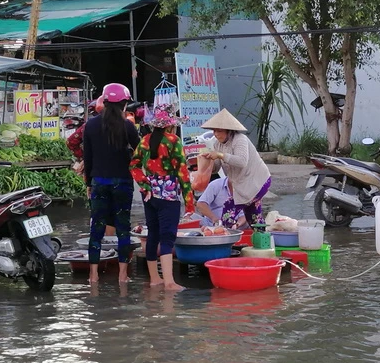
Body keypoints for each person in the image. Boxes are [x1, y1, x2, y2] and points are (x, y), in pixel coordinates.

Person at [130, 105, 195, 291]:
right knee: (167, 237)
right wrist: (190, 203)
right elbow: (183, 173)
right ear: (170, 126)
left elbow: (133, 165)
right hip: (168, 193)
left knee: (153, 234)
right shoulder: (173, 141)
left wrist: (144, 184)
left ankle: (155, 279)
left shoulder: (144, 141)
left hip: (149, 194)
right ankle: (169, 282)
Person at [83, 83, 140, 284]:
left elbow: (88, 158)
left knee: (97, 228)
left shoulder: (90, 125)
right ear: (124, 104)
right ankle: (123, 275)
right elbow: (140, 153)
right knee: (123, 227)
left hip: (99, 181)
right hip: (123, 182)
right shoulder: (128, 126)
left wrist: (88, 183)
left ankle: (93, 275)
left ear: (105, 102)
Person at [198, 109, 271, 227]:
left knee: (228, 215)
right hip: (241, 185)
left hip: (257, 181)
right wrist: (206, 162)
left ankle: (227, 235)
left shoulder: (240, 139)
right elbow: (216, 167)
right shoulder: (217, 144)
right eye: (214, 131)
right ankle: (262, 237)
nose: (216, 134)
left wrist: (220, 155)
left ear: (229, 131)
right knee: (254, 218)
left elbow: (242, 161)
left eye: (219, 131)